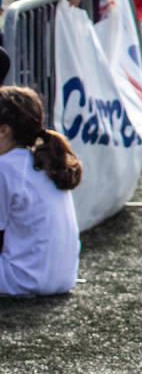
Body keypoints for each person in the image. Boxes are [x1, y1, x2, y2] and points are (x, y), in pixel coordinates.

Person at [0, 85, 82, 297]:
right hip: (62, 279)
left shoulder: (5, 166)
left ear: (3, 131)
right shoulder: (41, 160)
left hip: (19, 279)